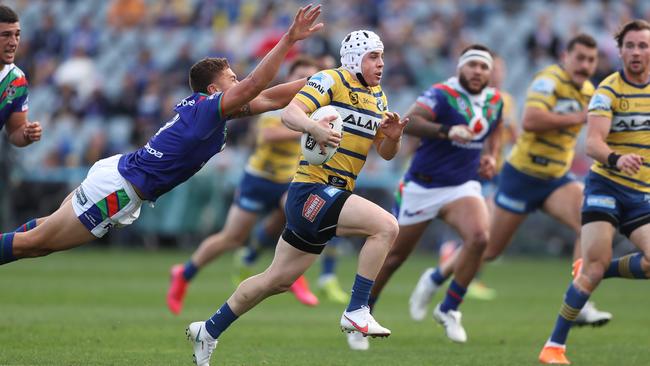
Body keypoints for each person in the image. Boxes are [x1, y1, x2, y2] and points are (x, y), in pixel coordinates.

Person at [0, 4, 323, 265]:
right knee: (36, 243)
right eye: (232, 78)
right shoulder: (208, 108)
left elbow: (269, 97)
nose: (239, 84)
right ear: (213, 89)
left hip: (119, 176)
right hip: (120, 187)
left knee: (39, 239)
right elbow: (257, 86)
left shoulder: (209, 112)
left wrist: (331, 82)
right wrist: (289, 40)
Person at [186, 29, 408, 366]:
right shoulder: (331, 79)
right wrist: (315, 128)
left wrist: (392, 138)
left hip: (333, 192)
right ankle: (357, 309)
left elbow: (386, 154)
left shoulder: (378, 97)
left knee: (276, 281)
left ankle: (209, 329)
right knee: (386, 226)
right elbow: (291, 114)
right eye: (373, 56)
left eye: (381, 56)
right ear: (354, 58)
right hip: (312, 189)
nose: (380, 63)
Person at [416, 34, 612, 335]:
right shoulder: (548, 80)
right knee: (489, 250)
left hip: (556, 179)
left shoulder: (589, 90)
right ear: (565, 57)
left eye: (591, 60)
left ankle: (580, 300)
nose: (585, 65)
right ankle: (436, 276)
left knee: (589, 222)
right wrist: (578, 116)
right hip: (522, 176)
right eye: (580, 58)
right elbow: (531, 120)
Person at [364, 45, 503, 347]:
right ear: (460, 68)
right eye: (473, 65)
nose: (478, 71)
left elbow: (496, 130)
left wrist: (491, 156)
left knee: (479, 238)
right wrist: (447, 131)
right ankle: (363, 313)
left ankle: (449, 308)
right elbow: (411, 122)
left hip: (462, 186)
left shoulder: (495, 100)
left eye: (484, 67)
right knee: (394, 258)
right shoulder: (441, 94)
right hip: (423, 187)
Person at [166, 56, 323, 314]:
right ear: (293, 76)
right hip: (259, 179)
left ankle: (293, 276)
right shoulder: (280, 104)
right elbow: (268, 134)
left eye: (313, 74)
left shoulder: (316, 106)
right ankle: (184, 273)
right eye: (304, 75)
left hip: (288, 180)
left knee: (297, 212)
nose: (309, 80)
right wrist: (310, 128)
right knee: (231, 238)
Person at [539, 20, 650, 365]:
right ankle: (553, 347)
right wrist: (618, 158)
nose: (636, 52)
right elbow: (593, 143)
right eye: (630, 45)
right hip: (606, 185)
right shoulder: (608, 90)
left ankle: (596, 267)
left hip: (640, 191)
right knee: (592, 270)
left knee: (603, 266)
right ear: (619, 51)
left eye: (643, 46)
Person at [0, 5, 41, 147]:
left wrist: (26, 133)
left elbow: (15, 129)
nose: (13, 42)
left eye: (17, 34)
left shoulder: (17, 80)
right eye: (6, 35)